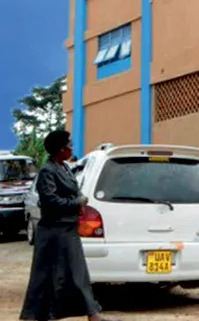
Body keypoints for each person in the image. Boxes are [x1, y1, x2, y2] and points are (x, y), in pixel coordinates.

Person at [20, 129, 118, 321]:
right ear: (60, 149)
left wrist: (79, 201)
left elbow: (73, 191)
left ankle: (93, 314)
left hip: (68, 229)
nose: (71, 148)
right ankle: (34, 315)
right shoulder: (48, 171)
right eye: (69, 145)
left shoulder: (65, 167)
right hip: (53, 232)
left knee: (77, 272)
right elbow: (50, 202)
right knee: (45, 276)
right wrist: (77, 203)